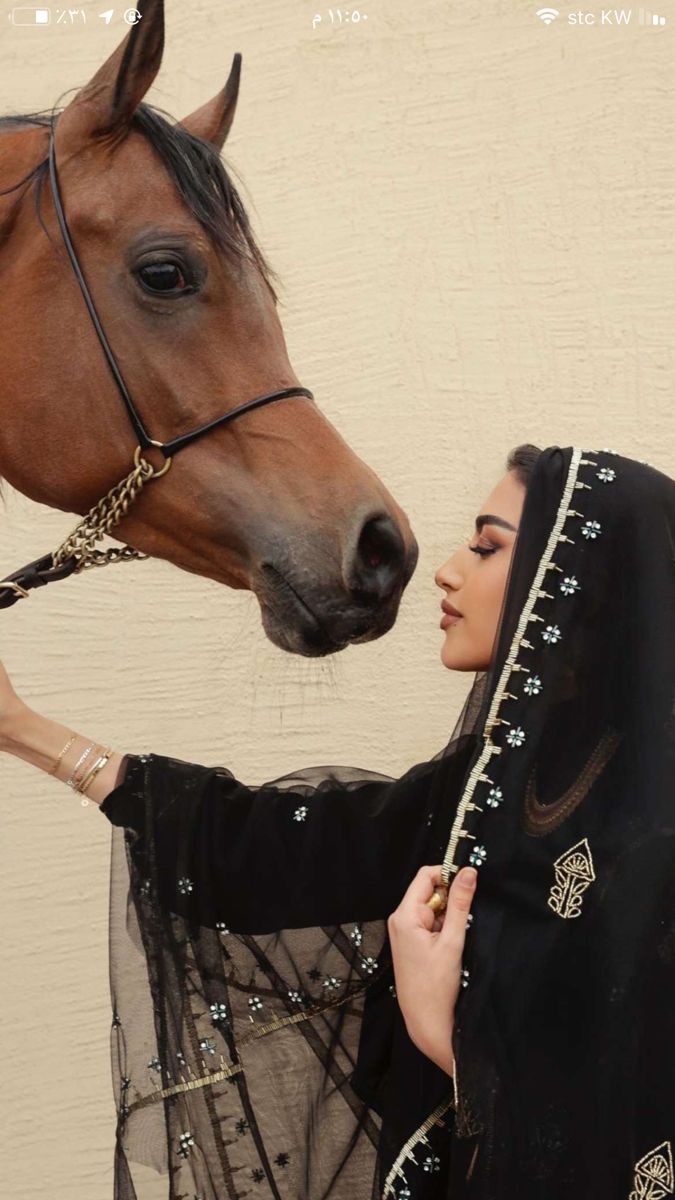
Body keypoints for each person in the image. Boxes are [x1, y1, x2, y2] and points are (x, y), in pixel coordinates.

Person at [1, 443, 673, 1200]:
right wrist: (21, 727)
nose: (446, 571)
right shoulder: (491, 787)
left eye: (486, 548)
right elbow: (276, 850)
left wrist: (442, 1036)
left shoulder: (655, 842)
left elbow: (625, 1135)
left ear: (581, 587)